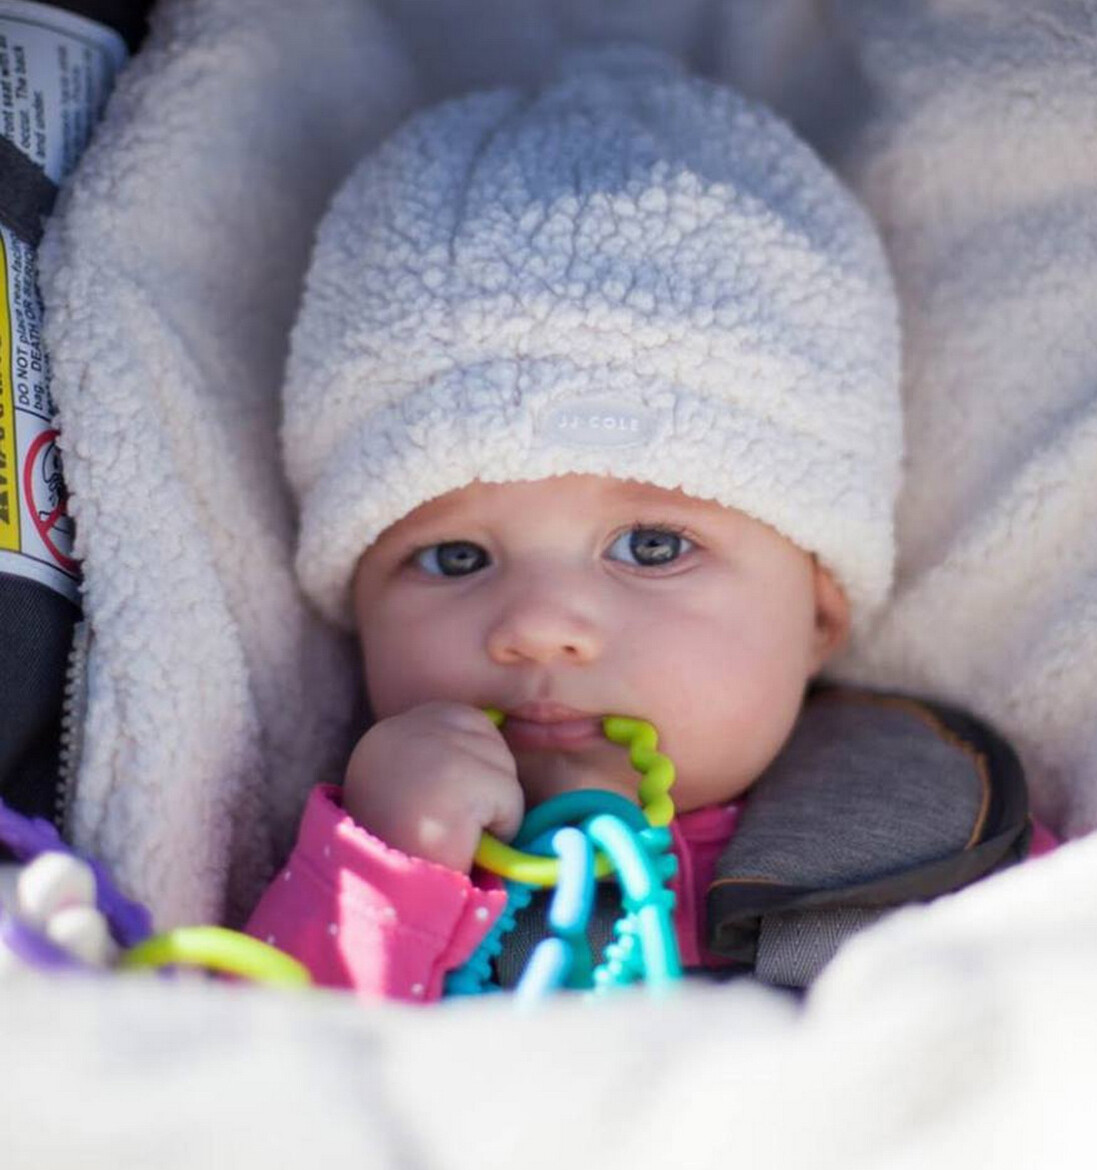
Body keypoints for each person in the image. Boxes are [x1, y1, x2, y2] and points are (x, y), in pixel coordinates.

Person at [246, 44, 1047, 1001]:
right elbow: (236, 1099)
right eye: (453, 556)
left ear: (819, 617)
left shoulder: (941, 837)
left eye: (654, 546)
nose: (537, 625)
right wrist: (385, 868)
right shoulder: (359, 867)